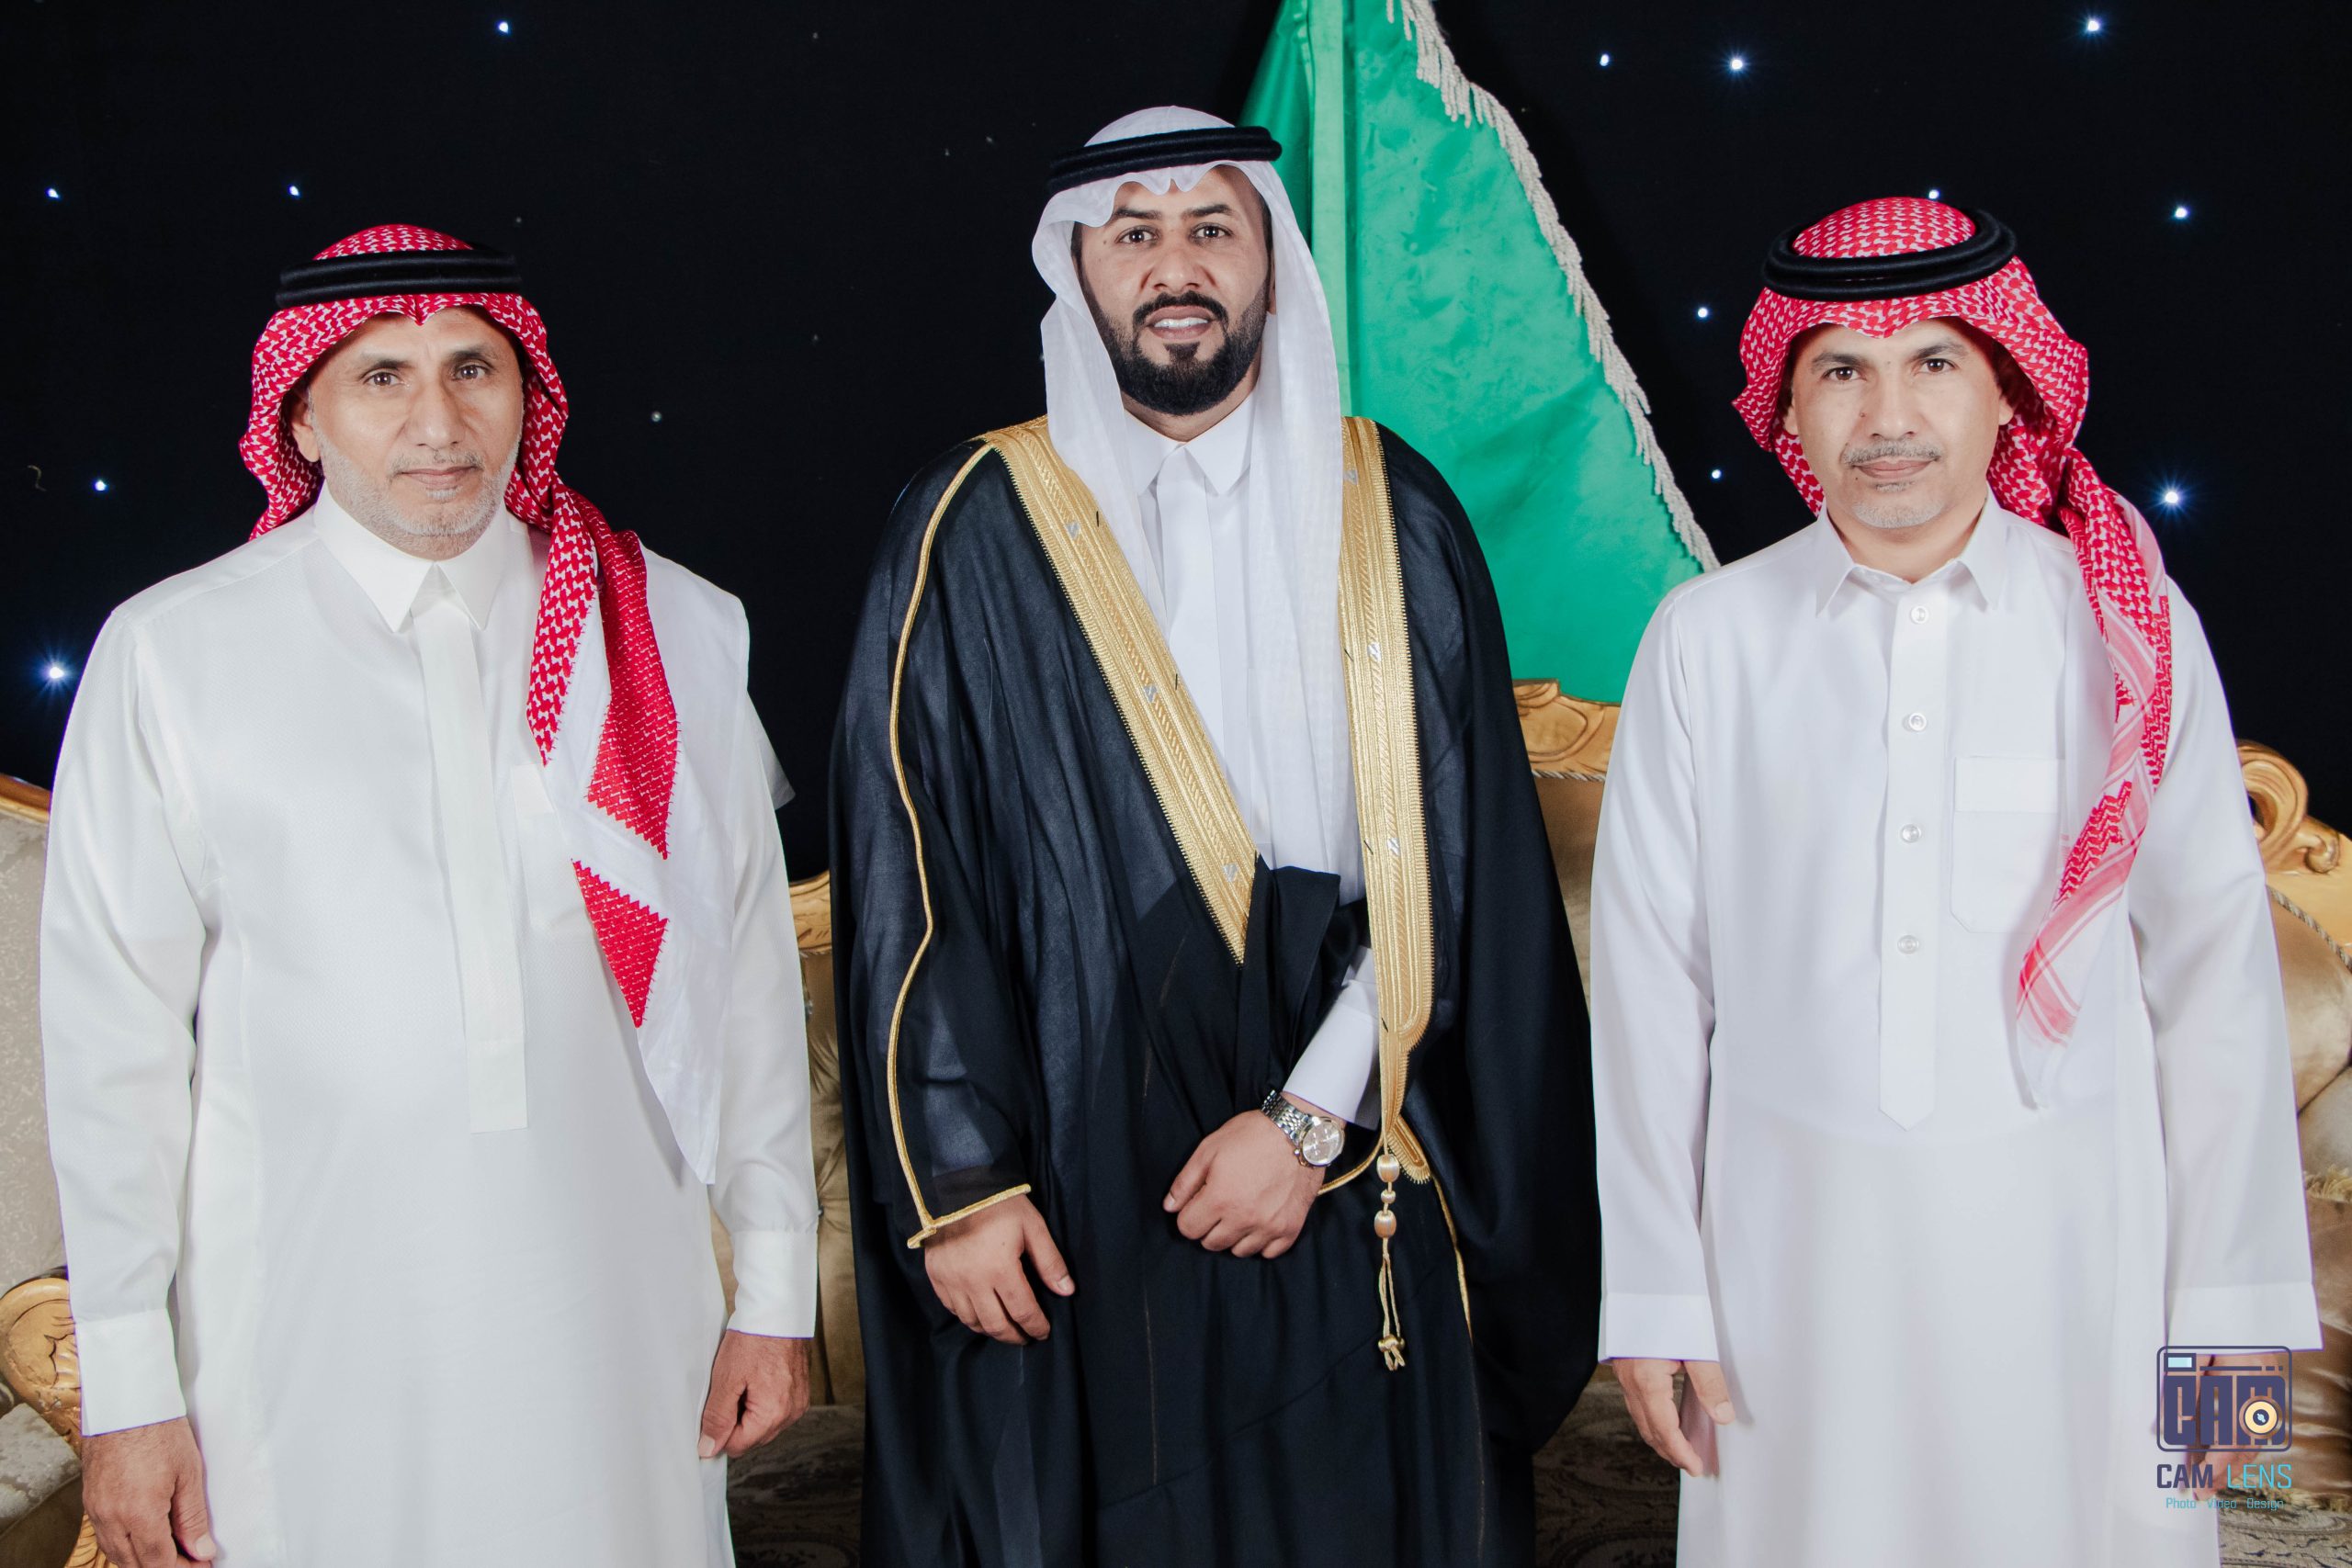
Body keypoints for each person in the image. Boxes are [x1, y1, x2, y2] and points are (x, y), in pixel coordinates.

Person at [831, 107, 1599, 1567]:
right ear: (1078, 269)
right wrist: (963, 1187)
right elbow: (908, 879)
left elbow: (1460, 867)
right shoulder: (971, 522)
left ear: (1269, 261)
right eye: (1134, 233)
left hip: (1353, 1137)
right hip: (1069, 1158)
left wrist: (1308, 1121)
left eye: (1210, 229)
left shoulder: (1392, 508)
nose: (1173, 266)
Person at [41, 226, 818, 1568]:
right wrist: (127, 1390)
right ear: (302, 414)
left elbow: (742, 978)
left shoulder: (667, 630)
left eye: (472, 368)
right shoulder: (176, 653)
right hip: (300, 1326)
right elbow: (114, 1046)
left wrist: (776, 1287)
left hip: (618, 1317)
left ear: (528, 393)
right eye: (381, 376)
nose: (438, 423)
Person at [1590, 197, 2319, 1566]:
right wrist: (1654, 1301)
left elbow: (2217, 983)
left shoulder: (2130, 628)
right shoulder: (1706, 640)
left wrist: (2231, 1363)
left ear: (2006, 393)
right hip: (1786, 1287)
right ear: (1787, 411)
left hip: (2084, 1278)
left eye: (1934, 363)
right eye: (1841, 372)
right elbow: (1648, 995)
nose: (1889, 417)